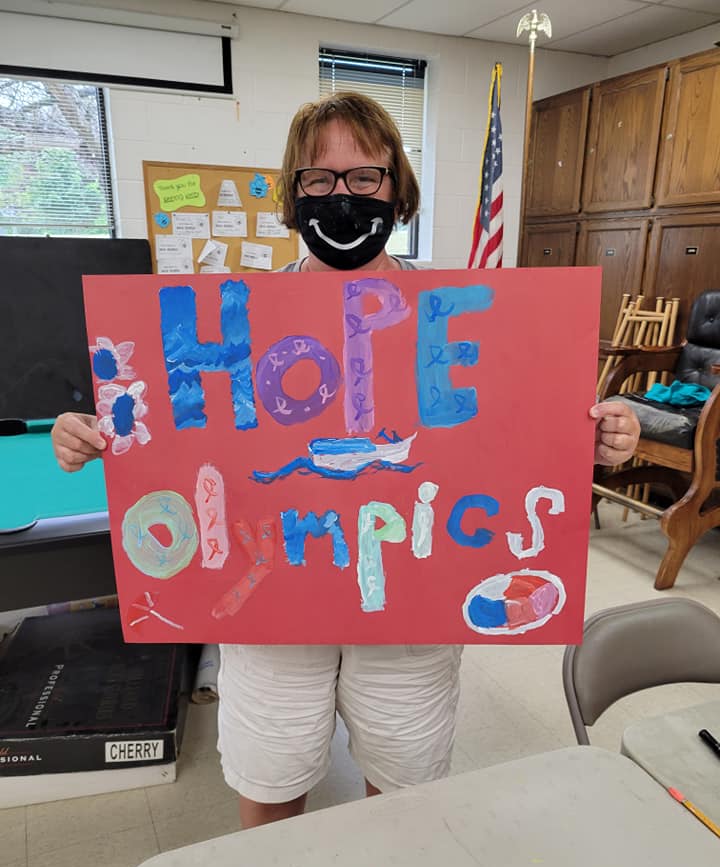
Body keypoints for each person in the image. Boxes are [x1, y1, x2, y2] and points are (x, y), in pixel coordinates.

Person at [52, 92, 641, 829]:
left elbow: (517, 432)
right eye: (319, 179)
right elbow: (157, 422)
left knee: (405, 773)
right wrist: (85, 432)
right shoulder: (235, 313)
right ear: (293, 197)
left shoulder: (467, 315)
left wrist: (595, 436)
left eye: (365, 177)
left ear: (397, 191)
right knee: (272, 768)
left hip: (412, 602)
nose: (342, 195)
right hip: (270, 600)